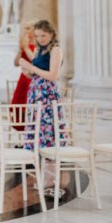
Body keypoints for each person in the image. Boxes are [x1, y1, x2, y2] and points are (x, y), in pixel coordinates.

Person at [19, 20, 65, 189]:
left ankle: (50, 179)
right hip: (36, 95)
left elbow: (53, 75)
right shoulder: (40, 50)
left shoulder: (56, 49)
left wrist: (31, 67)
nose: (40, 39)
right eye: (37, 36)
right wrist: (27, 71)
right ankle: (44, 176)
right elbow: (36, 75)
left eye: (43, 36)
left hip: (47, 97)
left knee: (48, 136)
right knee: (38, 135)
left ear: (52, 34)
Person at [10, 20, 37, 130]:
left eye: (28, 28)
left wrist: (26, 48)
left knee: (29, 106)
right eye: (25, 28)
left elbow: (35, 61)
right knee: (18, 105)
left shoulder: (36, 46)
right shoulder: (24, 45)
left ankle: (30, 131)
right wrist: (21, 50)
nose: (25, 31)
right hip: (23, 79)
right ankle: (22, 131)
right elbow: (16, 63)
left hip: (32, 79)